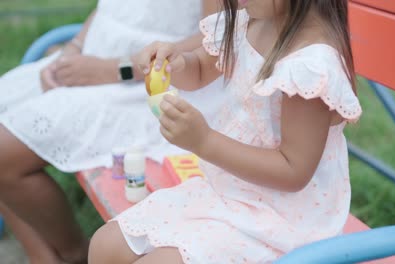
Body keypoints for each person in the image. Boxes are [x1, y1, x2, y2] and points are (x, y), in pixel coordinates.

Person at [89, 0, 363, 263]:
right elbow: (198, 70)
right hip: (228, 193)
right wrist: (175, 65)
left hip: (283, 223)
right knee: (105, 246)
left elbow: (294, 170)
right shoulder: (255, 20)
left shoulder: (309, 65)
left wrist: (204, 141)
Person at [0, 0, 224, 263]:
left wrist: (113, 69)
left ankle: (74, 254)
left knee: (4, 151)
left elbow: (218, 33)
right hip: (92, 61)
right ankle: (44, 256)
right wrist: (73, 48)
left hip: (149, 85)